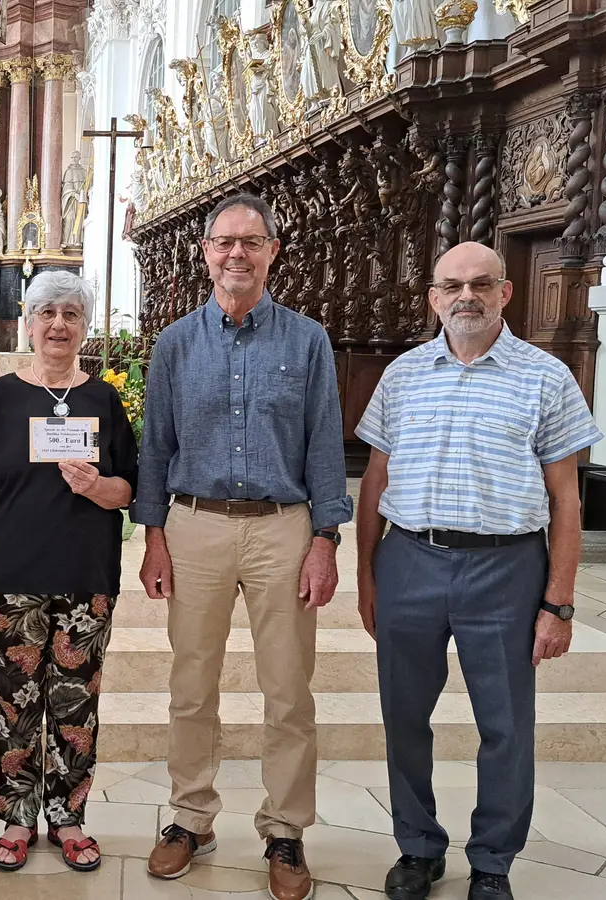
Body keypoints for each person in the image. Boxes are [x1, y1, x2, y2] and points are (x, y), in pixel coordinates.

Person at [356, 242, 600, 900]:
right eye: (453, 285)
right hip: (410, 560)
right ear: (434, 297)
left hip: (507, 569)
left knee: (505, 724)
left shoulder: (546, 377)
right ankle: (418, 847)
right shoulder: (402, 375)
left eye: (481, 284)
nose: (467, 295)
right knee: (403, 714)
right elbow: (374, 482)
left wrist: (559, 602)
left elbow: (566, 501)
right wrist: (368, 577)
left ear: (504, 294)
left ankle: (493, 861)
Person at [134, 192, 351, 899]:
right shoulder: (174, 345)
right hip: (194, 522)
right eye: (224, 242)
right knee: (191, 685)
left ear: (272, 252)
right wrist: (154, 537)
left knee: (288, 689)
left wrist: (325, 538)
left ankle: (284, 830)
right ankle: (190, 816)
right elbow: (155, 449)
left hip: (282, 526)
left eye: (250, 242)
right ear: (205, 253)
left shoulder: (306, 339)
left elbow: (324, 443)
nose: (236, 254)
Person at [0, 271, 137, 874]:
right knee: (13, 702)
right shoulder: (1, 397)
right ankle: (15, 817)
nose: (58, 324)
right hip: (11, 575)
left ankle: (68, 817)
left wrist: (97, 485)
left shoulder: (105, 400)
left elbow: (128, 490)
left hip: (86, 575)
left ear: (85, 326)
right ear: (27, 324)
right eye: (47, 313)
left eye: (71, 314)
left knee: (74, 702)